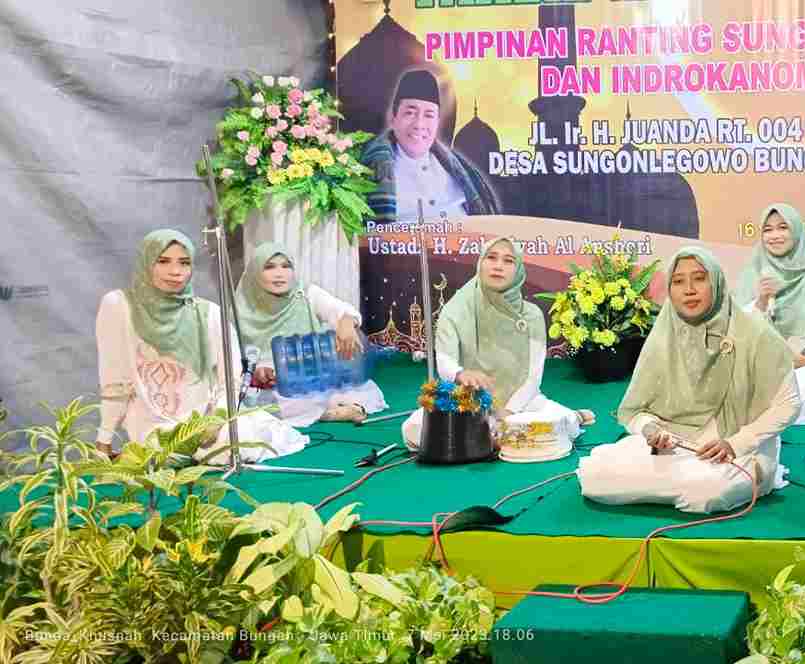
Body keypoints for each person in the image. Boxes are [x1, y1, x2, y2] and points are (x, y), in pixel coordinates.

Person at [578, 247, 799, 514]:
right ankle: (672, 478)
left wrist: (737, 442)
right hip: (678, 442)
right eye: (678, 281)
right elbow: (636, 411)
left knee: (705, 493)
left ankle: (750, 475)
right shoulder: (665, 334)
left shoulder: (755, 332)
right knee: (595, 478)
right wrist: (650, 430)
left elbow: (788, 404)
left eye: (699, 278)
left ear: (716, 282)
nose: (689, 290)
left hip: (739, 447)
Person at [95, 230, 308, 462]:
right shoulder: (118, 306)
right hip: (154, 426)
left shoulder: (210, 314)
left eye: (184, 263)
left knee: (239, 438)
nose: (175, 272)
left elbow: (233, 379)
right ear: (146, 263)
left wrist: (217, 419)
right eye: (163, 261)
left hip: (209, 424)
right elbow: (114, 380)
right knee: (161, 451)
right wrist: (103, 441)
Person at [401, 236, 593, 448]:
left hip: (521, 403)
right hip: (468, 402)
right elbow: (445, 360)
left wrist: (509, 411)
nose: (498, 266)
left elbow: (533, 375)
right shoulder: (455, 309)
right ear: (481, 263)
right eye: (491, 258)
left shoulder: (532, 315)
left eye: (508, 261)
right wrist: (461, 374)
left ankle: (489, 437)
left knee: (564, 424)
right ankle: (496, 438)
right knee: (413, 428)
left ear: (518, 269)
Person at [234, 243, 388, 426]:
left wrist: (346, 323)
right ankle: (328, 412)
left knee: (353, 389)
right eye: (269, 267)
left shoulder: (305, 293)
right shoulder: (240, 307)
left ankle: (327, 407)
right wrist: (258, 372)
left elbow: (340, 310)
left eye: (286, 266)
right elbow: (235, 357)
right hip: (271, 385)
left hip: (311, 374)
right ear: (254, 272)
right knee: (261, 405)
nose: (279, 273)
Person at [732, 203, 805, 425]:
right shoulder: (753, 272)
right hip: (761, 362)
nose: (775, 236)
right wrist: (760, 300)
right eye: (767, 229)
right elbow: (737, 328)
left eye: (783, 227)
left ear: (796, 231)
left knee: (802, 388)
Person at [360, 69, 504, 223]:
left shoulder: (461, 172)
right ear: (393, 118)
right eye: (410, 113)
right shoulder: (369, 171)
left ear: (437, 122)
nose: (419, 124)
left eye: (429, 115)